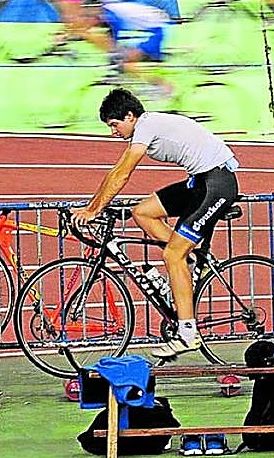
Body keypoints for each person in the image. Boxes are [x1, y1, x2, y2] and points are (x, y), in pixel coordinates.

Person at [71, 88, 240, 359]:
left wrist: (95, 210)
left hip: (216, 184)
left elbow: (123, 175)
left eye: (115, 125)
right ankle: (192, 257)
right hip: (200, 181)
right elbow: (115, 172)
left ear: (130, 116)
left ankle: (187, 334)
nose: (113, 132)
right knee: (143, 212)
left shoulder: (146, 127)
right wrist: (91, 207)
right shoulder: (145, 128)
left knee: (172, 254)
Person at [99, 0, 176, 98]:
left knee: (125, 61)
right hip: (155, 28)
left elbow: (114, 42)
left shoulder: (110, 15)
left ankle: (163, 88)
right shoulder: (111, 13)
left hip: (160, 31)